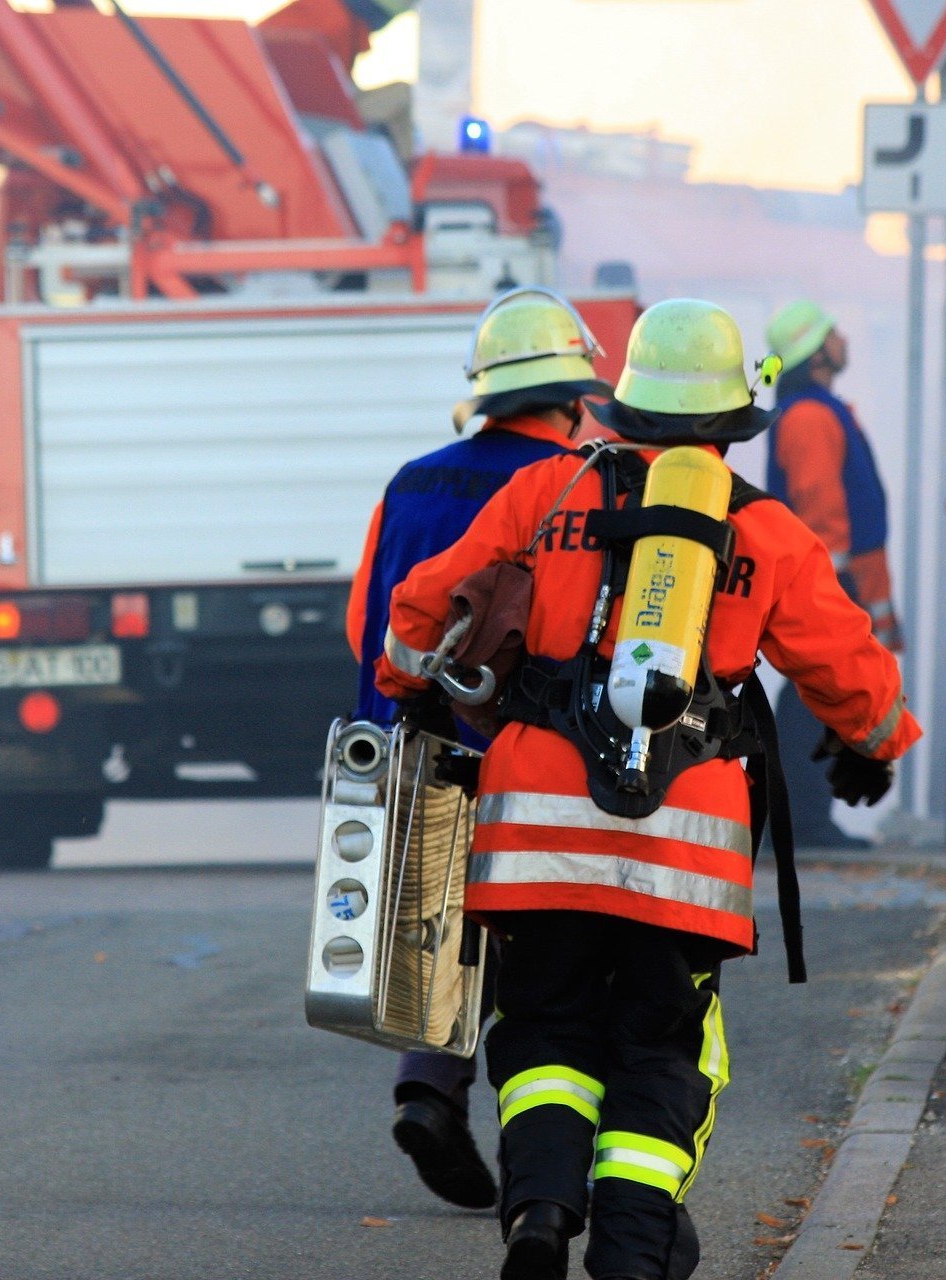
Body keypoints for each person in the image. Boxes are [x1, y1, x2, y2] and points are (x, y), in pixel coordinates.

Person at [376, 299, 919, 1280]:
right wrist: (874, 743)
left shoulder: (548, 488)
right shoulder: (766, 525)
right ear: (730, 412)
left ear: (625, 400)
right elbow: (851, 667)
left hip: (537, 828)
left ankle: (539, 1210)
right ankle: (630, 1251)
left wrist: (406, 683)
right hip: (685, 846)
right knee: (665, 1047)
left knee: (543, 1027)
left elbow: (425, 605)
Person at [347, 287, 613, 1211]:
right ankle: (535, 1146)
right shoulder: (580, 485)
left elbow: (366, 626)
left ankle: (430, 1087)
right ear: (574, 392)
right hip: (529, 749)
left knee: (443, 924)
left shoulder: (412, 480)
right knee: (537, 947)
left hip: (408, 735)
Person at [761, 300, 903, 848]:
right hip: (828, 585)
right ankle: (803, 821)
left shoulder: (816, 411)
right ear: (816, 353)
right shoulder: (811, 416)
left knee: (817, 701)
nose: (843, 338)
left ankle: (806, 818)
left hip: (835, 582)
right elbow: (820, 511)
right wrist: (836, 591)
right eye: (832, 333)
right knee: (812, 703)